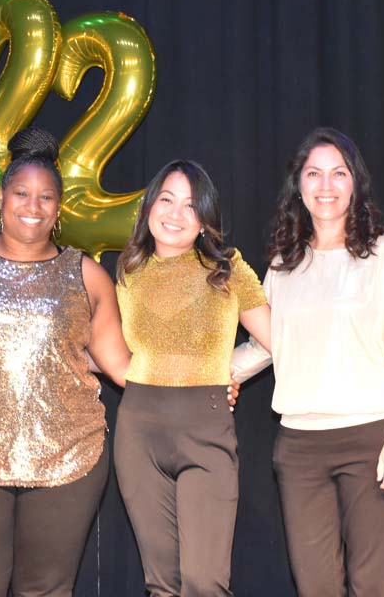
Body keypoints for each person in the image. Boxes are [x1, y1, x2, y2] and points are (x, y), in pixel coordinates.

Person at [0, 128, 131, 597]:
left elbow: (121, 365)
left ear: (59, 208)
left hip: (68, 458)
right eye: (21, 193)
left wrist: (197, 382)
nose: (32, 206)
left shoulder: (88, 276)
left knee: (46, 591)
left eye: (45, 197)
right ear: (1, 198)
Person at [232, 128, 384, 597]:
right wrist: (218, 374)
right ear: (298, 185)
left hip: (372, 437)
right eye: (314, 174)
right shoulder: (283, 263)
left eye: (338, 173)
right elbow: (270, 343)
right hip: (300, 447)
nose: (325, 185)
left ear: (355, 182)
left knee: (373, 583)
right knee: (315, 585)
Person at [113, 160, 271, 597]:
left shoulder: (228, 268)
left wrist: (227, 371)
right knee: (162, 584)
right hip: (138, 433)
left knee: (205, 583)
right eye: (167, 199)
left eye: (190, 205)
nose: (176, 213)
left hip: (206, 432)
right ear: (149, 207)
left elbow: (275, 341)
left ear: (204, 219)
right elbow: (124, 352)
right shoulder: (128, 271)